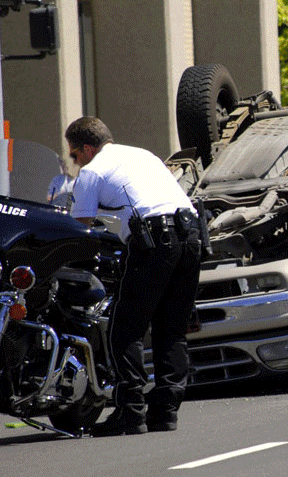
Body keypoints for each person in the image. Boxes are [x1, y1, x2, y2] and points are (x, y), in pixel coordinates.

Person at [65, 116, 201, 436]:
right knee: (172, 330)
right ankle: (165, 412)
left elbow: (78, 228)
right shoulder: (144, 155)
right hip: (192, 236)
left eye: (73, 154)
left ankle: (131, 411)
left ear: (86, 148)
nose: (74, 161)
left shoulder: (92, 171)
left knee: (125, 329)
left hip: (154, 241)